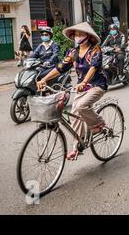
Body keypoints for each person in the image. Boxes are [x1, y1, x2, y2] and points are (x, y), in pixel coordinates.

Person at [37, 22, 107, 161]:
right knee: (74, 112)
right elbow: (60, 68)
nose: (77, 36)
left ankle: (98, 124)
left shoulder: (95, 50)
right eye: (76, 34)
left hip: (97, 85)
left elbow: (93, 68)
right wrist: (44, 79)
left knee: (81, 106)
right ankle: (77, 146)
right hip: (80, 87)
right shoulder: (72, 52)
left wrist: (84, 82)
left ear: (88, 36)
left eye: (81, 33)